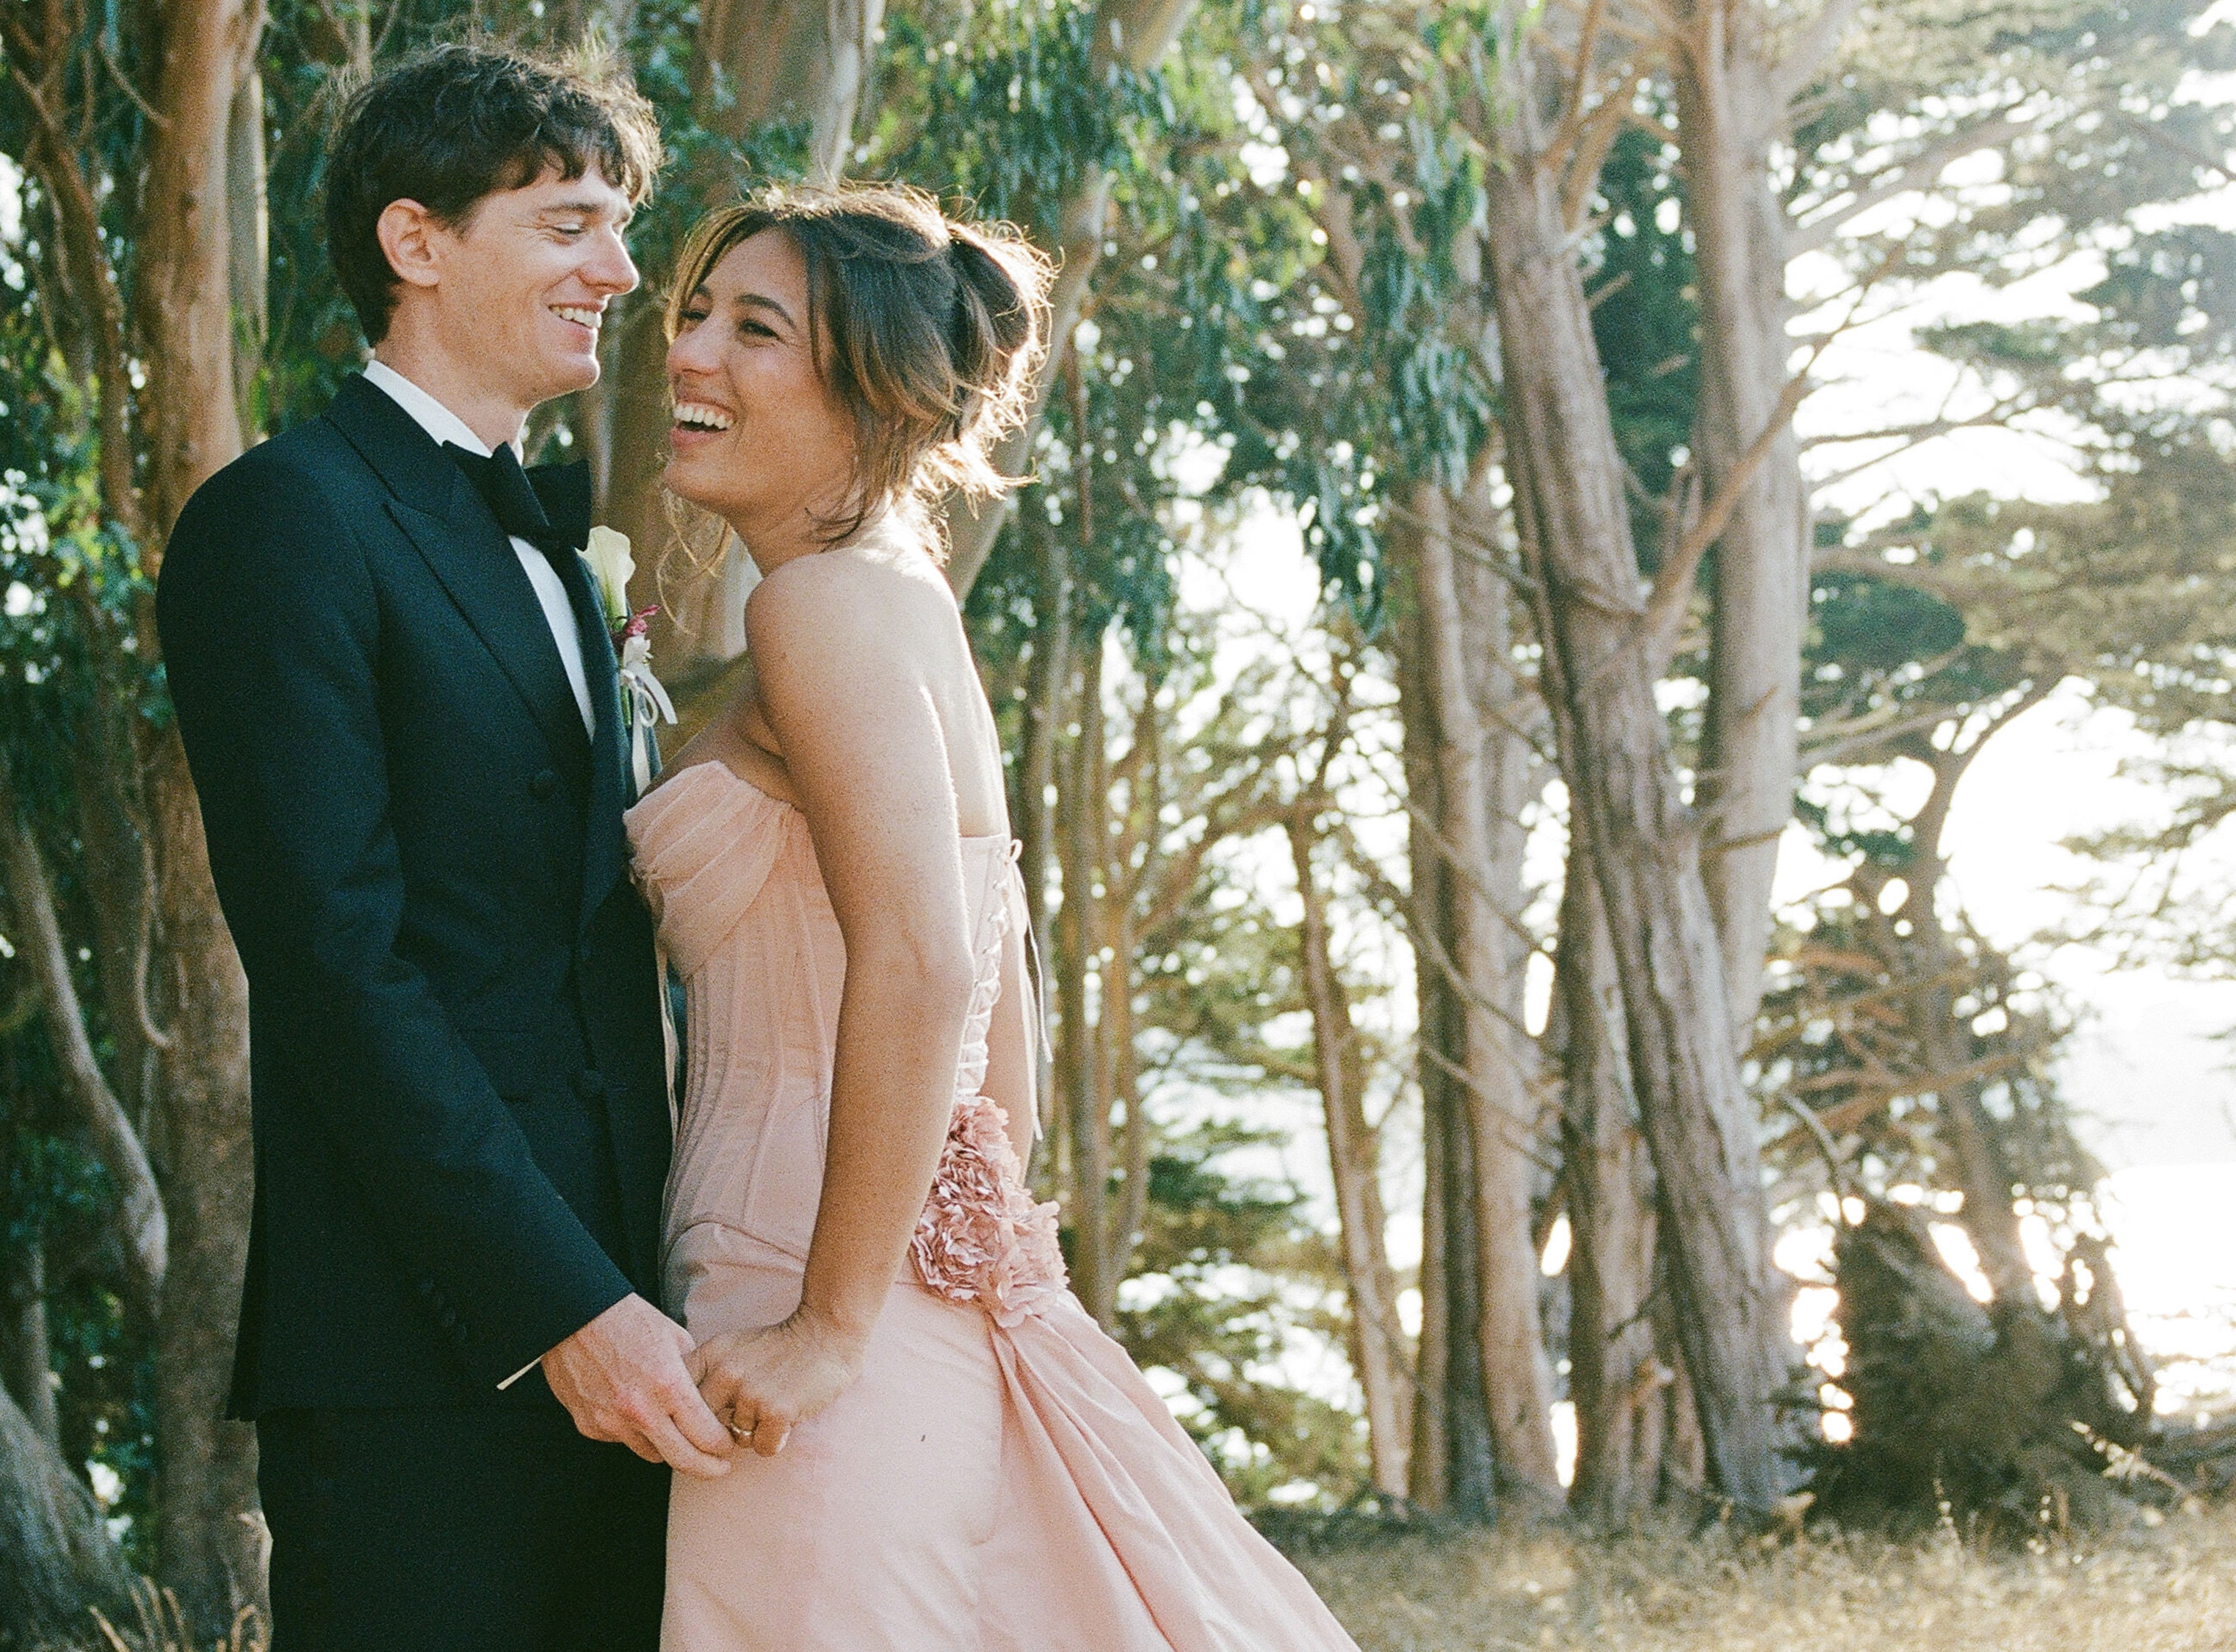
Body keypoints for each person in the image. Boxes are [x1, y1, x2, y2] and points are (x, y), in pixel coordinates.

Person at [628, 183, 1364, 1651]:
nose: (690, 356)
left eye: (753, 329)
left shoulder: (817, 608)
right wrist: (966, 1257)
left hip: (804, 1273)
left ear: (875, 389)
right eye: (693, 317)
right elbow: (1001, 1003)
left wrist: (831, 1327)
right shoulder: (901, 601)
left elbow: (925, 953)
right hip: (899, 1269)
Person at [156, 43, 733, 1652]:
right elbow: (338, 970)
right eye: (566, 226)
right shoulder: (287, 522)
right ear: (417, 244)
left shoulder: (558, 539)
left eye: (617, 226)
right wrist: (559, 1304)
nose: (619, 272)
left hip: (642, 1327)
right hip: (423, 1360)